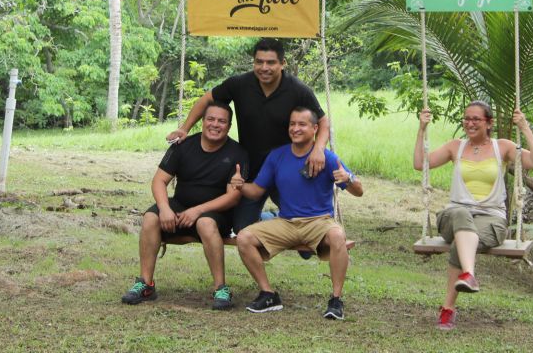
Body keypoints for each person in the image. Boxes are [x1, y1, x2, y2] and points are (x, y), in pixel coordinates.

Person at [167, 38, 330, 232]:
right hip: (252, 170)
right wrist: (185, 128)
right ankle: (268, 218)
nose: (264, 67)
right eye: (259, 62)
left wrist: (318, 149)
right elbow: (206, 100)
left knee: (303, 229)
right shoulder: (240, 84)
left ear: (282, 64)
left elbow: (323, 121)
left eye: (271, 62)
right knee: (242, 227)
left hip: (285, 168)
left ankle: (280, 216)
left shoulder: (298, 90)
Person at [415, 101, 533, 331]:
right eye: (466, 118)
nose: (470, 123)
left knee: (461, 242)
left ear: (489, 123)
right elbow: (419, 164)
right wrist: (421, 129)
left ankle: (448, 309)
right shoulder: (455, 147)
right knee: (461, 215)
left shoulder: (503, 148)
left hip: (492, 219)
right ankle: (469, 274)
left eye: (476, 119)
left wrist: (524, 128)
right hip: (454, 215)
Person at [231, 107, 363, 320]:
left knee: (338, 235)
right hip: (287, 222)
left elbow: (359, 191)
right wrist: (239, 185)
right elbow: (255, 191)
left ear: (314, 128)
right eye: (292, 124)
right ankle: (268, 294)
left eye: (302, 124)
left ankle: (336, 300)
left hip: (319, 222)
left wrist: (348, 178)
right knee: (244, 237)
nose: (295, 128)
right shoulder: (277, 156)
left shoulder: (326, 158)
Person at [121, 101, 248, 310]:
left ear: (229, 125)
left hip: (216, 214)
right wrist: (164, 208)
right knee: (150, 217)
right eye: (211, 119)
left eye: (222, 121)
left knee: (206, 223)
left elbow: (232, 197)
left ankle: (221, 289)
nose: (215, 125)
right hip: (179, 206)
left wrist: (198, 211)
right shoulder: (183, 146)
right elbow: (159, 180)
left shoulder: (238, 153)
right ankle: (145, 284)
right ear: (203, 121)